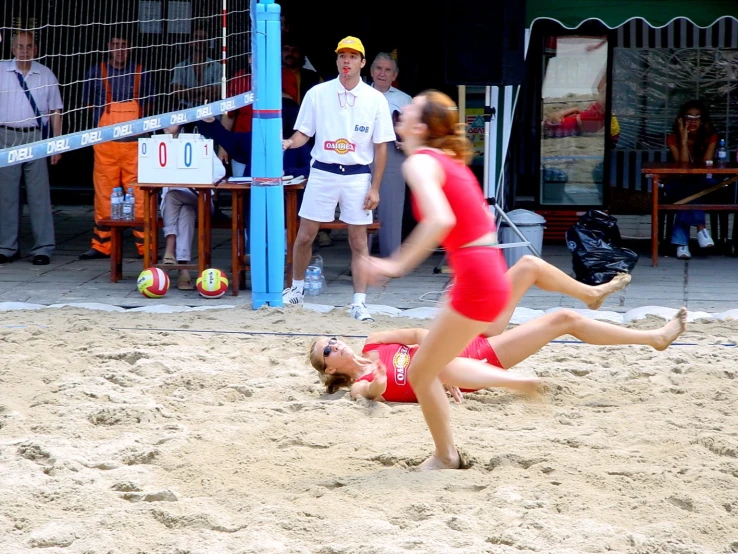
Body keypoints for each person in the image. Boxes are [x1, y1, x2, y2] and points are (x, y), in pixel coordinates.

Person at [359, 90, 516, 469]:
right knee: (431, 365)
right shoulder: (446, 159)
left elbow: (441, 219)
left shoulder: (422, 162)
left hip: (478, 275)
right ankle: (450, 449)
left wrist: (394, 265)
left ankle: (446, 456)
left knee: (422, 370)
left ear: (420, 126)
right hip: (484, 271)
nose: (403, 110)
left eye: (410, 107)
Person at [311, 257, 686, 404]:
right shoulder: (358, 383)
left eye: (330, 338)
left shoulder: (373, 342)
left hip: (456, 345)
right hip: (476, 360)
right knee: (560, 321)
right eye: (327, 350)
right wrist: (380, 377)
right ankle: (654, 338)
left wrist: (435, 364)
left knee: (525, 266)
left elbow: (415, 334)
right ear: (330, 369)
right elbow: (373, 391)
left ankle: (590, 293)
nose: (334, 343)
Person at [282, 36, 395, 322]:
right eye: (342, 56)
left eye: (353, 56)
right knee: (305, 234)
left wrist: (376, 187)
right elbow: (303, 133)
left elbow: (382, 146)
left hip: (357, 174)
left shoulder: (375, 99)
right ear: (336, 60)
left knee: (358, 241)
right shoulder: (318, 93)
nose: (347, 61)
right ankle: (296, 289)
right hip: (323, 170)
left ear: (362, 63)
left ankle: (359, 302)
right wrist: (288, 143)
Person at [79, 31, 155, 260]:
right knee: (104, 197)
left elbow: (150, 108)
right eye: (115, 44)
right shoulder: (95, 72)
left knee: (140, 199)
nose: (119, 49)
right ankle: (102, 246)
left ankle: (145, 247)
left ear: (130, 48)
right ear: (108, 47)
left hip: (135, 147)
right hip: (106, 147)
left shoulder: (142, 73)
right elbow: (87, 105)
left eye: (124, 44)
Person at [0, 30, 62, 266]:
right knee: (6, 196)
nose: (24, 50)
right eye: (20, 46)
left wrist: (57, 145)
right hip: (5, 135)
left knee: (39, 196)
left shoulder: (46, 74)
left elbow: (56, 111)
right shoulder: (1, 70)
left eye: (29, 46)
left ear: (35, 49)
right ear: (12, 49)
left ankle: (43, 248)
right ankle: (6, 247)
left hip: (36, 138)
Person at [159, 125, 226, 290]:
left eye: (171, 120)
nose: (165, 124)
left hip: (200, 201)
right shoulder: (157, 144)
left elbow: (220, 171)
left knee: (172, 194)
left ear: (181, 122)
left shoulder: (197, 141)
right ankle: (183, 270)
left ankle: (170, 245)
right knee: (185, 213)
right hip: (173, 209)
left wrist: (194, 177)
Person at [369, 52, 412, 257]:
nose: (382, 73)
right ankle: (361, 260)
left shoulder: (404, 99)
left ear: (394, 75)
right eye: (378, 68)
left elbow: (414, 132)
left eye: (387, 70)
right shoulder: (359, 94)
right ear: (371, 71)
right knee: (361, 207)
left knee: (392, 209)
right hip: (364, 152)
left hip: (393, 153)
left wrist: (407, 142)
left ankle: (390, 259)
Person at [665, 100, 718, 260]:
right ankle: (701, 228)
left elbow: (705, 165)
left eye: (697, 117)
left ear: (703, 121)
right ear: (681, 119)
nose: (693, 121)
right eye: (689, 117)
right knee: (688, 185)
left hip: (704, 183)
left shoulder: (711, 137)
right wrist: (683, 141)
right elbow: (682, 166)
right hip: (677, 183)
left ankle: (682, 244)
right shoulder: (673, 138)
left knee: (690, 188)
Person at [171, 27, 220, 116]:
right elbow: (177, 92)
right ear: (190, 42)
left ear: (209, 43)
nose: (200, 41)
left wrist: (188, 92)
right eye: (196, 37)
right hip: (185, 112)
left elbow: (216, 93)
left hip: (210, 112)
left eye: (204, 38)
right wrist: (205, 90)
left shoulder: (217, 67)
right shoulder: (180, 67)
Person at [281, 34, 322, 105]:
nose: (290, 53)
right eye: (286, 50)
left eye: (294, 50)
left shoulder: (314, 77)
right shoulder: (272, 75)